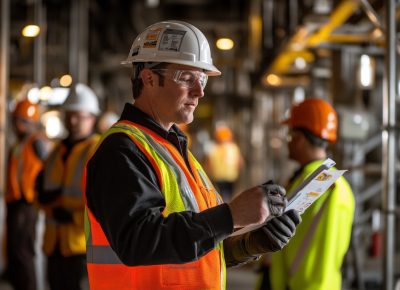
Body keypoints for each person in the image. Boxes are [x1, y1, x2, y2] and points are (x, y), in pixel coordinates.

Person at [84, 20, 301, 290]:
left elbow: (187, 254)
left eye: (202, 79)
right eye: (187, 78)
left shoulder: (174, 150)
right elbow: (138, 242)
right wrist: (230, 216)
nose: (199, 92)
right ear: (149, 78)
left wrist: (247, 244)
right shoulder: (122, 150)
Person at [258, 98, 355, 290]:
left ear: (300, 139)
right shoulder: (322, 183)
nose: (288, 141)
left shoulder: (319, 187)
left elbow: (318, 259)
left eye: (290, 135)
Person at [37, 83, 101, 290]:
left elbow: (104, 202)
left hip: (80, 248)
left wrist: (72, 217)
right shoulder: (56, 151)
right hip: (53, 245)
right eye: (68, 115)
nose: (72, 121)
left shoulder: (98, 151)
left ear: (92, 118)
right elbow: (41, 189)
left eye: (78, 116)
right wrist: (43, 200)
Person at [5, 99, 49, 290]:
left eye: (20, 120)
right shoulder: (19, 144)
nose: (16, 125)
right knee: (14, 252)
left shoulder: (36, 142)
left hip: (27, 204)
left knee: (23, 253)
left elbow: (47, 169)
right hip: (15, 203)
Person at [204, 125, 244, 201]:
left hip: (218, 176)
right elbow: (240, 163)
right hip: (231, 176)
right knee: (229, 194)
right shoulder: (234, 147)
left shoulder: (213, 148)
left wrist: (207, 174)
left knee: (220, 195)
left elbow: (208, 164)